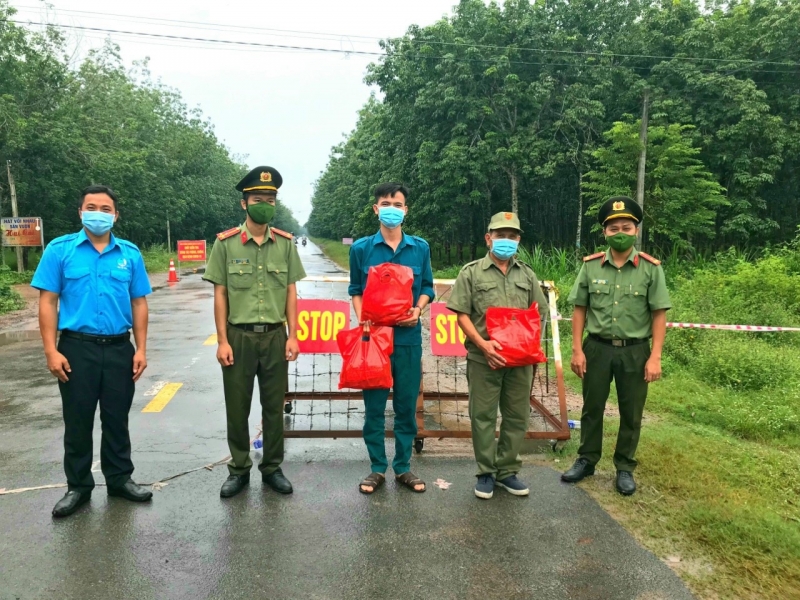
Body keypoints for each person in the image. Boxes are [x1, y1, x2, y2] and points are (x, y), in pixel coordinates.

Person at [31, 185, 153, 518]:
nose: (97, 213)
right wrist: (50, 351)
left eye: (105, 208)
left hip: (118, 349)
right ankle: (78, 487)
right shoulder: (61, 250)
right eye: (91, 206)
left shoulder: (129, 254)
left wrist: (140, 348)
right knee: (78, 420)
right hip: (75, 348)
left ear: (115, 215)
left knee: (117, 419)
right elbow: (48, 301)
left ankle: (119, 480)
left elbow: (139, 302)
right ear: (80, 212)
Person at [203, 166, 306, 499]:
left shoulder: (286, 245)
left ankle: (272, 468)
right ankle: (238, 469)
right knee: (238, 406)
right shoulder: (226, 244)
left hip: (275, 336)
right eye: (258, 199)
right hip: (238, 337)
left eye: (270, 199)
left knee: (274, 407)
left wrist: (293, 335)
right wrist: (221, 340)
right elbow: (220, 293)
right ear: (244, 204)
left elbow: (290, 291)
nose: (265, 204)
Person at [562, 196, 671, 496]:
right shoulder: (591, 266)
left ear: (636, 230)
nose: (619, 232)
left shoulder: (651, 269)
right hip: (596, 348)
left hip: (636, 351)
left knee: (631, 411)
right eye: (613, 228)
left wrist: (656, 357)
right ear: (604, 232)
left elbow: (659, 313)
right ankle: (587, 459)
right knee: (592, 406)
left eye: (626, 226)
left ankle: (624, 467)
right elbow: (579, 309)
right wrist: (577, 349)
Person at [447, 212, 548, 499]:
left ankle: (507, 471)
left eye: (512, 236)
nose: (506, 240)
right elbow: (462, 315)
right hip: (484, 358)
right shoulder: (471, 272)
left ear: (519, 240)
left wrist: (530, 348)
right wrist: (483, 345)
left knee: (517, 416)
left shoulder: (526, 274)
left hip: (520, 362)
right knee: (483, 416)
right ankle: (486, 473)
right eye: (500, 235)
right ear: (488, 238)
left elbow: (536, 312)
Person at [348, 183, 435, 495]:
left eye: (398, 204)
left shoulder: (420, 248)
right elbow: (355, 290)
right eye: (386, 203)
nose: (392, 208)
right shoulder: (361, 249)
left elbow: (427, 287)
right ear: (376, 208)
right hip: (375, 340)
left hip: (408, 339)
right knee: (373, 407)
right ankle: (376, 468)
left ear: (406, 209)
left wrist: (418, 309)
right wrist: (362, 317)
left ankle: (403, 467)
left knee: (405, 406)